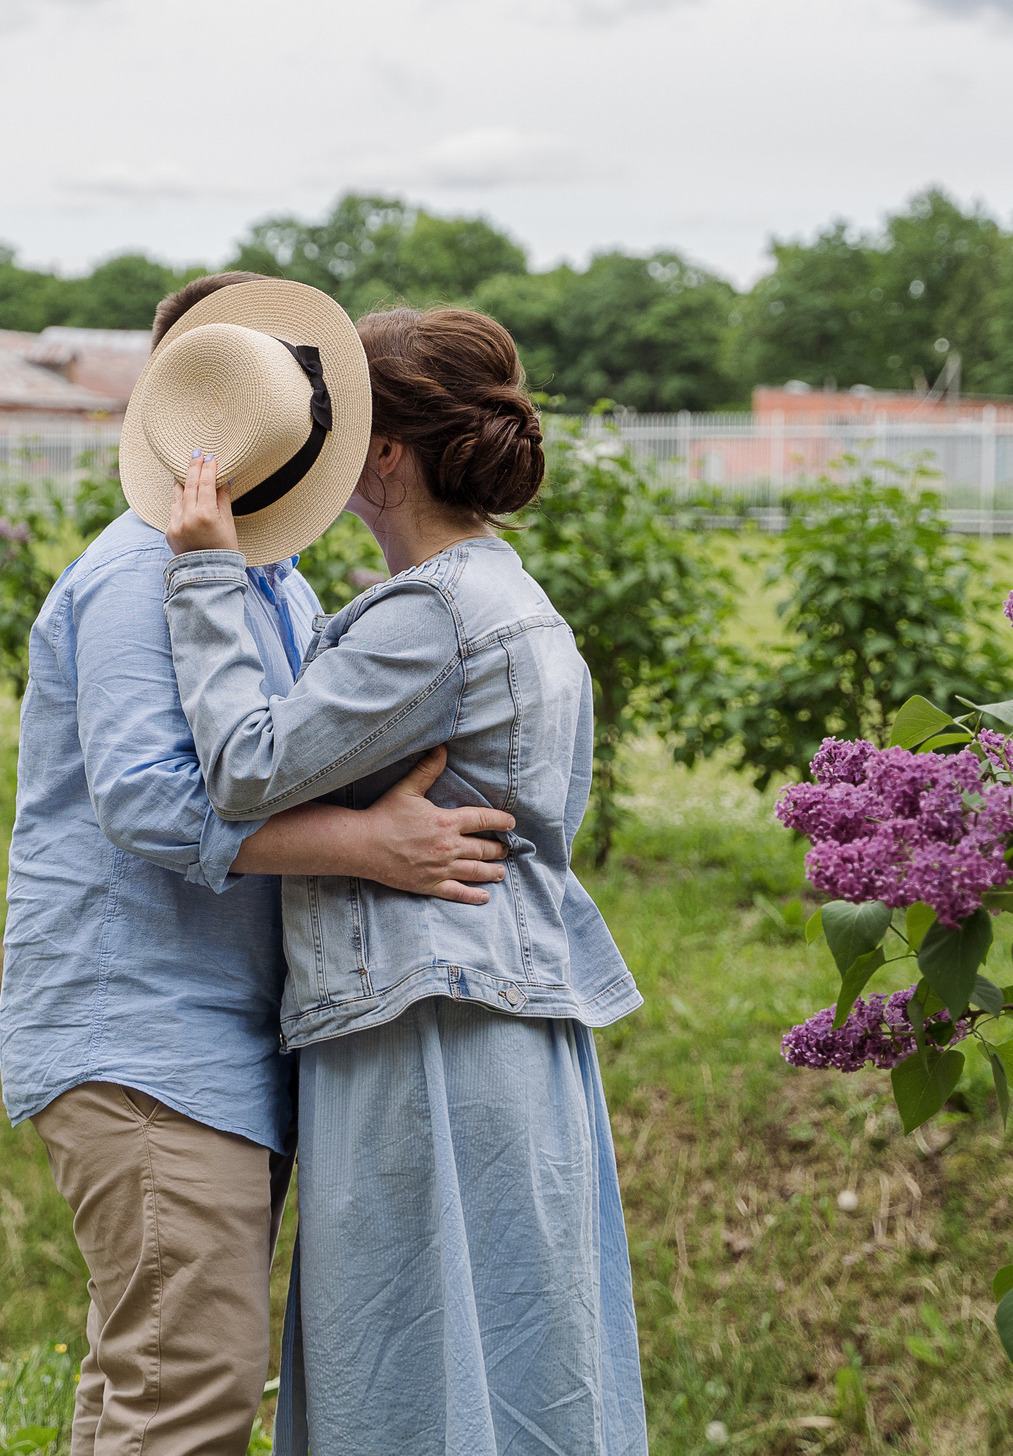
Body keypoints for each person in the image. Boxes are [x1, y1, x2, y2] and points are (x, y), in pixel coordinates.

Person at [0, 273, 521, 1456]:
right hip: (146, 1040)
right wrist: (370, 847)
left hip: (208, 1040)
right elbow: (143, 801)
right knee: (190, 1395)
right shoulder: (141, 573)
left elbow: (273, 755)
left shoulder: (264, 577)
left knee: (144, 1384)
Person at [160, 304, 648, 1456]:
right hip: (503, 1021)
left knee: (406, 1363)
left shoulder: (429, 620)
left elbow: (243, 767)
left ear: (383, 456)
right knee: (523, 1352)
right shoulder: (511, 599)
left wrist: (202, 581)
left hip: (422, 1029)